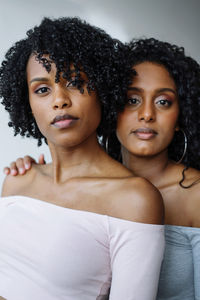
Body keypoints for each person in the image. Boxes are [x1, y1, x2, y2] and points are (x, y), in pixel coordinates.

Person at [11, 38, 200, 300]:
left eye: (163, 102)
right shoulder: (100, 190)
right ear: (113, 104)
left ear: (182, 115)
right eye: (132, 100)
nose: (146, 114)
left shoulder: (195, 195)